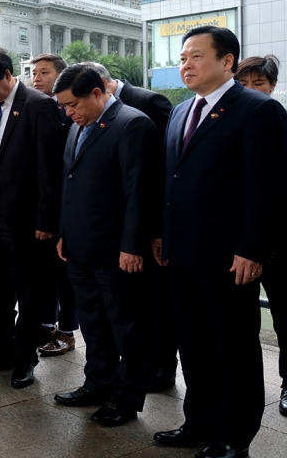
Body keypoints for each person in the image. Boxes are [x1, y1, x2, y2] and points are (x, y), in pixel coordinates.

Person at [153, 27, 287, 458]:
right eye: (182, 58)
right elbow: (171, 182)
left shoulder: (257, 109)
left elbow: (266, 189)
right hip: (182, 252)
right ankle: (200, 420)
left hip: (228, 257)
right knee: (194, 346)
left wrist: (252, 249)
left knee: (234, 350)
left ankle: (235, 435)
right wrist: (161, 235)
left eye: (195, 56)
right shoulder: (179, 111)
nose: (185, 65)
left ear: (227, 61)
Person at [52, 63, 160, 428]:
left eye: (72, 105)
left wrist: (132, 246)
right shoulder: (78, 125)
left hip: (117, 251)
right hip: (80, 246)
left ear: (97, 93)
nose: (68, 113)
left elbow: (138, 193)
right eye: (64, 107)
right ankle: (96, 384)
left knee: (126, 327)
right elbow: (71, 182)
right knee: (94, 324)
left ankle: (125, 398)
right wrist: (64, 231)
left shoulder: (132, 124)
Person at [0, 48, 64, 387]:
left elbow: (50, 170)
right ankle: (2, 348)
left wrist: (45, 220)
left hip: (22, 213)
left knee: (28, 287)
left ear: (9, 75)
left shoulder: (39, 105)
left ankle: (25, 357)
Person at [89, 62, 175, 392]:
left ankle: (163, 366)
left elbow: (159, 169)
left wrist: (153, 227)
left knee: (157, 304)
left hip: (147, 220)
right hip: (115, 222)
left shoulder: (149, 103)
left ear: (98, 87)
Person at [233, 54, 287, 417]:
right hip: (238, 242)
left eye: (260, 84)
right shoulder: (233, 120)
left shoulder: (276, 118)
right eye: (245, 83)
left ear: (272, 87)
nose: (253, 90)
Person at [28, 53, 79, 358]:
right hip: (41, 205)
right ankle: (46, 323)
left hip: (65, 205)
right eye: (34, 73)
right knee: (45, 272)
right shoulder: (34, 108)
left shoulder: (69, 112)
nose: (36, 78)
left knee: (66, 274)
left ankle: (67, 330)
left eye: (44, 72)